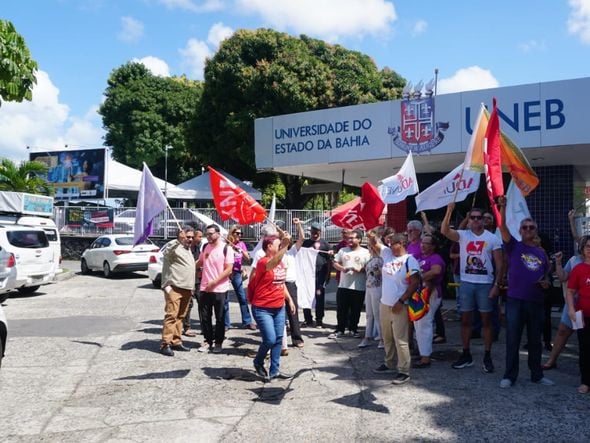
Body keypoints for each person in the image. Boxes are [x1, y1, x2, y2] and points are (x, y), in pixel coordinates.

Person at [496, 198, 554, 388]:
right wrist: (503, 207)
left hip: (536, 301)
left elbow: (546, 276)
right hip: (515, 300)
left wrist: (546, 283)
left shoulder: (542, 253)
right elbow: (502, 226)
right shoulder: (513, 246)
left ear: (536, 231)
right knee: (512, 338)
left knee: (535, 340)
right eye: (525, 227)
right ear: (520, 231)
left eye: (532, 228)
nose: (528, 230)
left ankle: (536, 375)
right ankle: (509, 376)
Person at [441, 204, 503, 373]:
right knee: (466, 320)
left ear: (484, 220)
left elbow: (500, 264)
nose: (475, 220)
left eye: (478, 217)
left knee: (486, 322)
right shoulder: (463, 235)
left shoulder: (492, 238)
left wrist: (497, 285)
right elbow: (445, 231)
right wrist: (449, 211)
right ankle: (466, 354)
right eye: (472, 217)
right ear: (468, 220)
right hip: (467, 283)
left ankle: (487, 356)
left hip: (485, 284)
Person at [370, 232, 420, 385]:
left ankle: (404, 370)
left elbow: (414, 283)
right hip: (385, 303)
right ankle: (389, 362)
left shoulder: (410, 261)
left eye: (394, 243)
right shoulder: (387, 255)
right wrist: (370, 230)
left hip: (400, 305)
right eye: (389, 244)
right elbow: (374, 242)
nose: (390, 246)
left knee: (401, 339)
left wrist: (401, 300)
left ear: (402, 244)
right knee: (387, 336)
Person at [249, 232, 296, 381]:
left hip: (278, 306)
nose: (281, 247)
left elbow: (281, 283)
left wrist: (289, 300)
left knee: (278, 339)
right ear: (269, 246)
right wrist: (286, 244)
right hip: (263, 307)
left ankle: (275, 370)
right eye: (278, 245)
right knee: (269, 339)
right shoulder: (263, 261)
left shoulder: (280, 262)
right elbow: (273, 263)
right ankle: (258, 361)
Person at [195, 224, 234, 354]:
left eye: (211, 233)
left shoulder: (226, 248)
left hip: (220, 289)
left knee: (220, 317)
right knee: (205, 317)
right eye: (207, 234)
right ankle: (207, 340)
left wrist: (215, 282)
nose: (208, 236)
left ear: (218, 233)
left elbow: (229, 269)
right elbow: (199, 262)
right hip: (204, 288)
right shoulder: (205, 247)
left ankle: (218, 342)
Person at [159, 226, 197, 357]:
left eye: (192, 237)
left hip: (186, 288)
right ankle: (165, 344)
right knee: (171, 315)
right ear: (181, 235)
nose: (190, 239)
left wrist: (192, 288)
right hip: (174, 287)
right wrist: (178, 240)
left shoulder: (188, 249)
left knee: (181, 316)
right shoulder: (174, 246)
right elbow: (166, 252)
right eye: (188, 237)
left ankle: (176, 340)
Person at [329, 229, 370, 339]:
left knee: (356, 309)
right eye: (349, 238)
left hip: (359, 286)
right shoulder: (343, 250)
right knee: (342, 309)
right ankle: (340, 330)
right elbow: (335, 262)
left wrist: (360, 270)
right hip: (343, 285)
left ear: (359, 239)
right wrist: (342, 268)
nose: (349, 240)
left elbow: (369, 267)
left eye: (352, 238)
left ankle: (353, 329)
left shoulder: (366, 252)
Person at [413, 233, 445, 368]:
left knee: (425, 323)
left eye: (427, 243)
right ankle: (422, 351)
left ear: (433, 246)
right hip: (417, 294)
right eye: (422, 242)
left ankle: (425, 357)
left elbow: (436, 271)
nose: (423, 245)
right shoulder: (419, 257)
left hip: (430, 293)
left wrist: (420, 278)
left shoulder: (435, 258)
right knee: (418, 324)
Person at [565, 235, 590, 394]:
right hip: (583, 315)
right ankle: (586, 382)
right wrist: (571, 309)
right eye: (587, 246)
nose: (589, 249)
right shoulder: (579, 269)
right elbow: (570, 291)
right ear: (582, 249)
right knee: (585, 348)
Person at [225, 225, 256, 330]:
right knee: (225, 299)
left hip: (237, 272)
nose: (239, 235)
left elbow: (248, 258)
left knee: (242, 297)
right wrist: (229, 247)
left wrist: (241, 250)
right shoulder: (226, 244)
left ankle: (247, 321)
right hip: (227, 272)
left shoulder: (241, 244)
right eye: (237, 233)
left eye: (240, 233)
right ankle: (226, 323)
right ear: (232, 233)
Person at [301, 222, 332, 328]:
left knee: (319, 297)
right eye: (313, 232)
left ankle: (319, 319)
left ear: (320, 232)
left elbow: (329, 261)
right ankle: (307, 318)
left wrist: (327, 276)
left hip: (320, 276)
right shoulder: (305, 243)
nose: (315, 235)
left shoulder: (325, 244)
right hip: (307, 275)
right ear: (310, 232)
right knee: (307, 296)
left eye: (317, 233)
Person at [359, 227, 384, 348]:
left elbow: (382, 274)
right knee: (369, 313)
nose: (369, 247)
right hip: (369, 287)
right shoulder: (370, 259)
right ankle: (367, 337)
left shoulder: (381, 259)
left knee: (377, 313)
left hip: (377, 287)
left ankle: (382, 339)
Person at [183, 228, 203, 337]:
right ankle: (186, 327)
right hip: (188, 280)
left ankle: (204, 327)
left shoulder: (197, 247)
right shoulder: (187, 248)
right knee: (188, 304)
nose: (201, 238)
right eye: (199, 236)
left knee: (202, 302)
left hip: (197, 280)